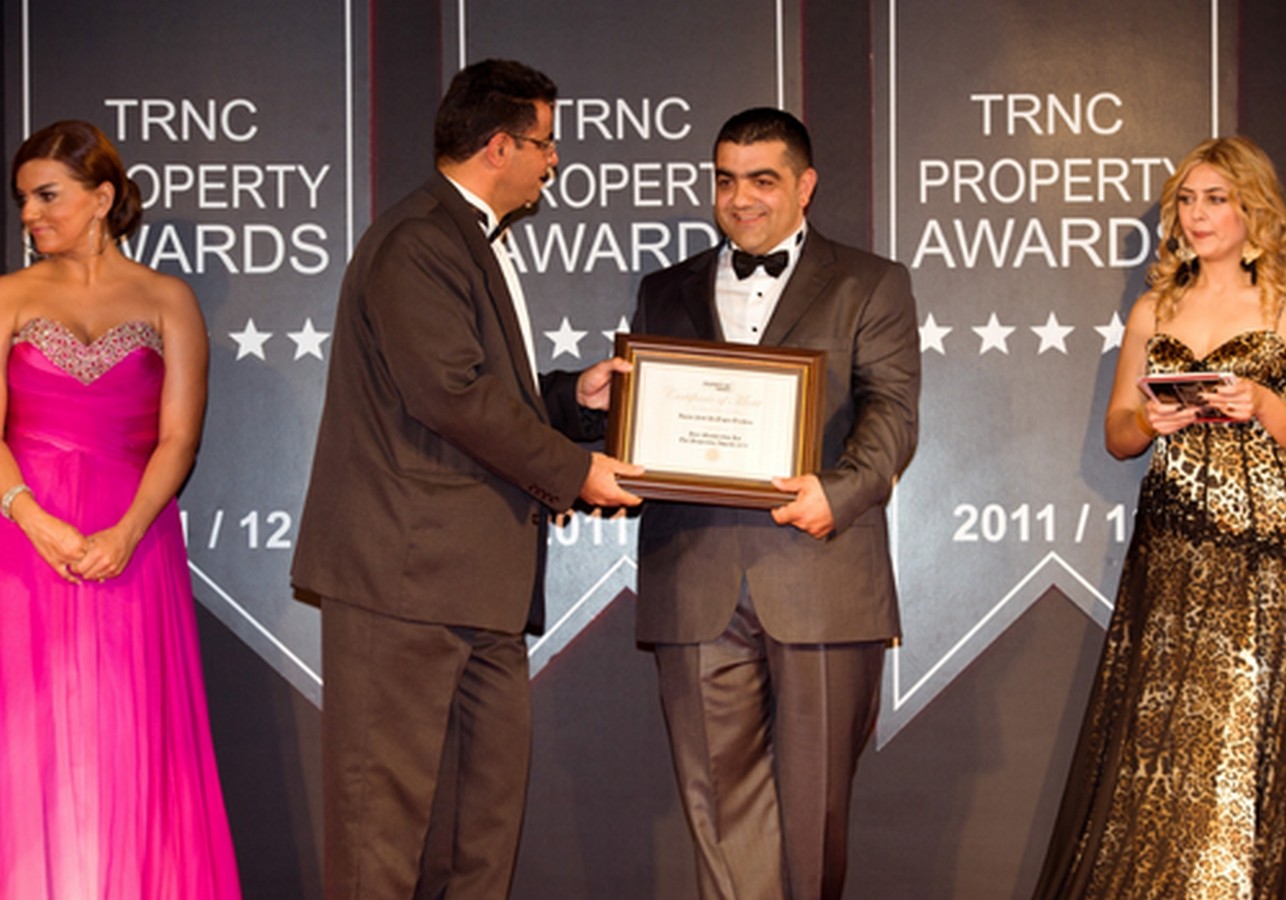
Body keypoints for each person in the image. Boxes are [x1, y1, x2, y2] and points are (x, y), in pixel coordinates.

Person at [290, 59, 642, 900]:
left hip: (481, 594)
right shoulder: (419, 242)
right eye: (546, 143)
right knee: (381, 844)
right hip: (405, 586)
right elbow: (448, 396)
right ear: (499, 147)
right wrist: (575, 471)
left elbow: (482, 396)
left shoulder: (467, 238)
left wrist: (574, 399)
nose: (554, 160)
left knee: (478, 841)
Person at [631, 107, 921, 900]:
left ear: (805, 186)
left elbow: (892, 412)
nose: (740, 199)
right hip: (694, 579)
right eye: (726, 180)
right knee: (718, 819)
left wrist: (840, 490)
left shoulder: (871, 283)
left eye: (762, 180)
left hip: (821, 574)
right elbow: (651, 415)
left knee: (814, 818)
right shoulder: (662, 291)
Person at [1033, 135, 1286, 898]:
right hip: (1170, 548)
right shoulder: (1154, 309)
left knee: (1238, 739)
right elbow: (1117, 436)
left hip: (1260, 552)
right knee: (1158, 742)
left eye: (1216, 199)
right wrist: (1152, 420)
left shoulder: (1282, 305)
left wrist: (1262, 402)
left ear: (1253, 209)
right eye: (1187, 200)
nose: (1197, 215)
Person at [0, 120, 241, 898]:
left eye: (47, 196)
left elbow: (180, 438)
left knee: (130, 735)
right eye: (22, 200)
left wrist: (127, 532)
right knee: (25, 738)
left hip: (133, 543)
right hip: (22, 542)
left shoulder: (168, 299)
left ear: (102, 197)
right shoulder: (6, 296)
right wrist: (33, 518)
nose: (30, 215)